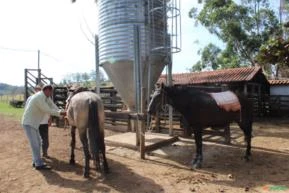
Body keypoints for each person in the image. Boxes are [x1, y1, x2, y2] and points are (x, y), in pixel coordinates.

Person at [22, 84, 66, 170]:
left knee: (38, 143)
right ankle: (38, 164)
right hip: (29, 123)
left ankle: (36, 161)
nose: (51, 94)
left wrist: (61, 112)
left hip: (34, 123)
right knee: (35, 144)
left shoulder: (46, 97)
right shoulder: (39, 97)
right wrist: (61, 113)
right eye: (50, 92)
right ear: (47, 90)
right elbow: (47, 110)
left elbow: (52, 105)